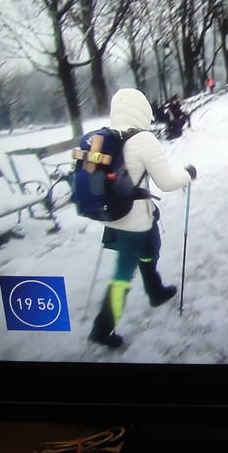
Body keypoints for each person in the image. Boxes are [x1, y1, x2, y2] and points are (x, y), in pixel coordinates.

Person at [89, 88, 197, 348]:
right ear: (141, 109)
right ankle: (102, 329)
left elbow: (93, 180)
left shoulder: (100, 138)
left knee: (150, 247)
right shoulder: (143, 140)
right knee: (123, 274)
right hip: (133, 221)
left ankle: (155, 290)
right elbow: (167, 181)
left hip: (112, 214)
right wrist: (188, 174)